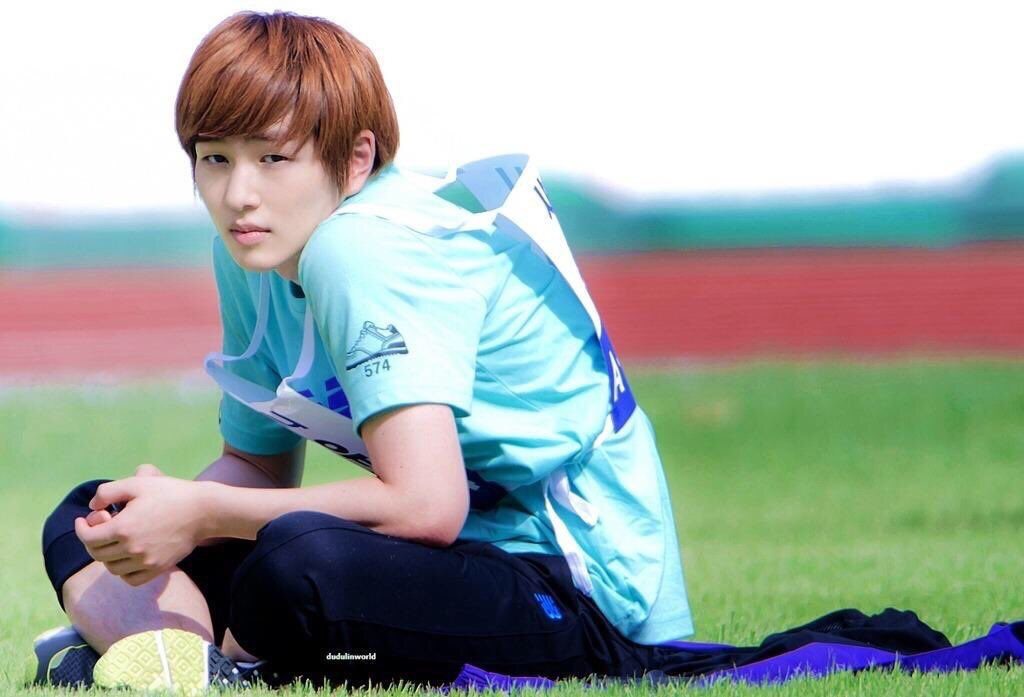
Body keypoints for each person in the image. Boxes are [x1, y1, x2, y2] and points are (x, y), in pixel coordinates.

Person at [35, 10, 693, 691]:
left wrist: (201, 511)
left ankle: (150, 650)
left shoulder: (360, 247)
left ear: (355, 161)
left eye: (272, 158)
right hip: (442, 566)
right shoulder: (250, 254)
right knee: (90, 515)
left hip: (575, 591)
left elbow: (425, 506)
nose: (238, 195)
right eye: (215, 158)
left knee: (297, 562)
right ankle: (197, 667)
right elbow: (256, 468)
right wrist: (166, 508)